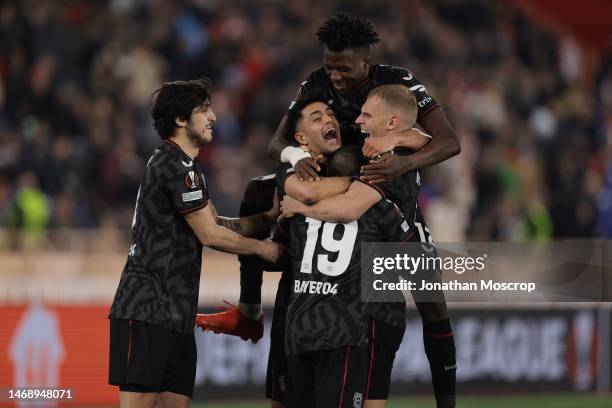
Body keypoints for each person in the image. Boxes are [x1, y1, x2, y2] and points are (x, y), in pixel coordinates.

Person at [107, 79, 282, 408]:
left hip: (176, 311)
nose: (214, 116)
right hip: (147, 308)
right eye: (204, 109)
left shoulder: (185, 166)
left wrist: (265, 220)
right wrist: (265, 249)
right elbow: (210, 235)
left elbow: (215, 222)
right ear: (180, 119)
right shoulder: (174, 166)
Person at [281, 85, 456, 408]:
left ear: (390, 122)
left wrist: (302, 204)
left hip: (373, 304)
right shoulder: (382, 145)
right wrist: (293, 153)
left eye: (366, 114)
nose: (355, 120)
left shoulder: (394, 163)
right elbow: (429, 141)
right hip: (364, 296)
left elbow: (348, 208)